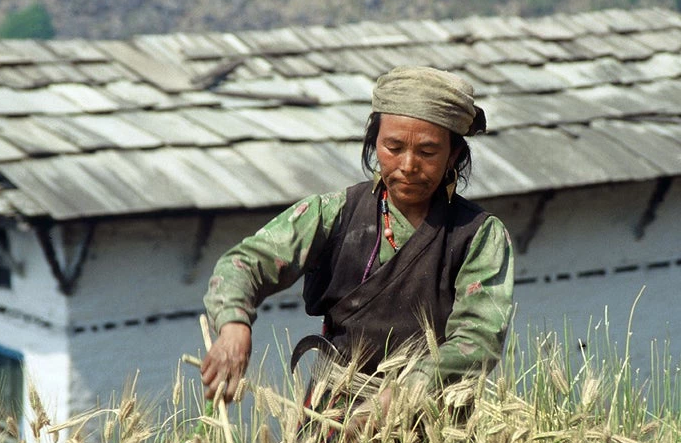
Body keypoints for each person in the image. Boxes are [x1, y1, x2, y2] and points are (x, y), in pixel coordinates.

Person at [200, 66, 515, 410]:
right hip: (332, 422)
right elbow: (243, 265)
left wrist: (402, 397)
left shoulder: (477, 237)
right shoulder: (333, 214)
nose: (408, 165)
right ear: (374, 143)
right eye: (393, 147)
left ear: (452, 155)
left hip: (432, 427)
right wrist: (233, 325)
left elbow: (479, 338)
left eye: (427, 152)